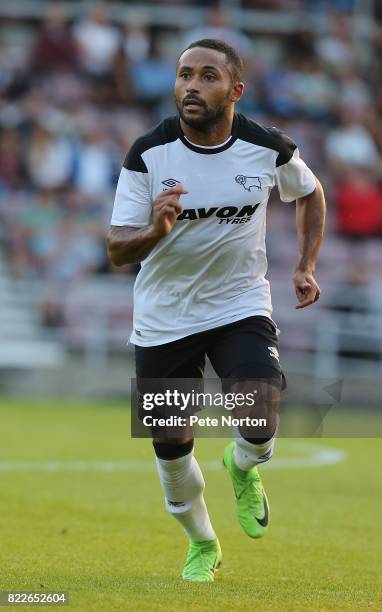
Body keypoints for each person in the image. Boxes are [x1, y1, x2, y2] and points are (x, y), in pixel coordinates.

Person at [107, 39, 325, 582]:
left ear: (235, 90)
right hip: (163, 316)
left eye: (207, 76)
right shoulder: (148, 153)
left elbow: (310, 193)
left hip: (238, 303)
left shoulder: (267, 147)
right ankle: (202, 543)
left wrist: (305, 266)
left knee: (260, 412)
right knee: (173, 450)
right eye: (184, 75)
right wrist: (154, 230)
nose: (191, 87)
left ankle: (244, 465)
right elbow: (115, 249)